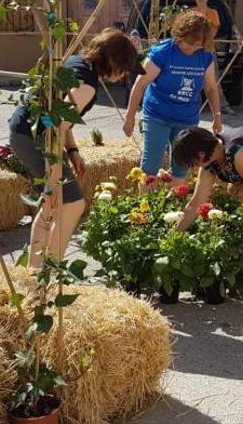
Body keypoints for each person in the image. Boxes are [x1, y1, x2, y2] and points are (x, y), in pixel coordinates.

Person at [9, 29, 144, 268]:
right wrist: (54, 175)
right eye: (124, 69)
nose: (124, 76)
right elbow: (56, 127)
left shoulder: (78, 62)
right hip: (36, 138)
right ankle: (49, 271)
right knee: (72, 203)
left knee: (52, 203)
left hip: (25, 131)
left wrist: (72, 151)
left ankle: (35, 269)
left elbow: (60, 116)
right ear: (112, 61)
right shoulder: (87, 86)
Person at [124, 11, 222, 188]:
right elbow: (140, 85)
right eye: (189, 43)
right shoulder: (163, 52)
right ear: (180, 35)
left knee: (182, 166)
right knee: (151, 164)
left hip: (187, 119)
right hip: (157, 115)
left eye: (198, 45)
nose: (192, 49)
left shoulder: (205, 56)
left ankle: (174, 210)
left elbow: (211, 88)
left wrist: (217, 115)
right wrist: (130, 116)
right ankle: (144, 210)